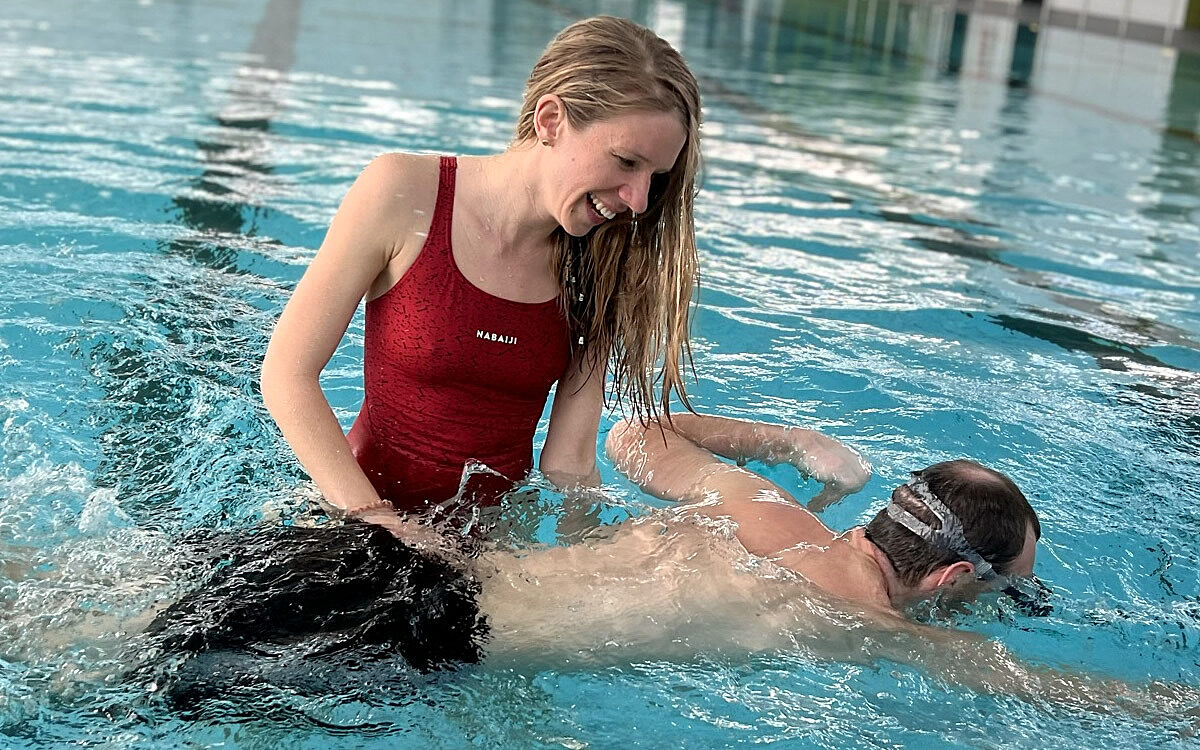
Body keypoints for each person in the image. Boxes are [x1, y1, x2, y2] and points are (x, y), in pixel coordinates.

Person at [143, 413, 1189, 721]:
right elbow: (1067, 696)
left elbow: (638, 438)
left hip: (400, 550)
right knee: (73, 660)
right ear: (955, 581)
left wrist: (785, 442)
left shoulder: (763, 507)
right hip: (414, 637)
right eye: (1010, 592)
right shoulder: (858, 627)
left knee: (76, 588)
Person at [259, 16, 703, 528]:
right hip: (354, 520)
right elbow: (287, 376)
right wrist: (381, 522)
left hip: (480, 556)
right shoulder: (403, 193)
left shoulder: (604, 265)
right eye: (627, 161)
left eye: (656, 177)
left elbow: (569, 465)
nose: (640, 199)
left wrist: (594, 555)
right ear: (551, 120)